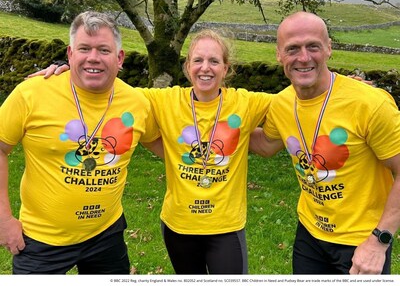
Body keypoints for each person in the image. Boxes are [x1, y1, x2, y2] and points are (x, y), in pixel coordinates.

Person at [30, 29, 276, 275]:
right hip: (178, 226)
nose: (205, 68)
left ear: (226, 68)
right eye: (198, 60)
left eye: (214, 61)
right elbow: (113, 88)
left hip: (226, 227)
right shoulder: (165, 100)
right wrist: (70, 69)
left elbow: (290, 101)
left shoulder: (247, 103)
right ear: (187, 65)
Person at [0, 11, 161, 274]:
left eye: (104, 50)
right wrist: (3, 219)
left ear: (120, 58)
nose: (93, 58)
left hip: (106, 234)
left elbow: (166, 145)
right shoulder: (32, 93)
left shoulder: (137, 103)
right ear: (70, 54)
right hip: (42, 240)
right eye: (84, 48)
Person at [250, 11, 400, 275]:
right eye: (293, 48)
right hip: (309, 235)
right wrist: (209, 129)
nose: (304, 57)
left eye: (313, 46)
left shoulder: (370, 104)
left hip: (362, 240)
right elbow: (266, 145)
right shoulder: (281, 104)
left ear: (329, 48)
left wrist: (379, 242)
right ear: (279, 54)